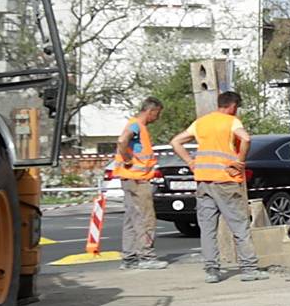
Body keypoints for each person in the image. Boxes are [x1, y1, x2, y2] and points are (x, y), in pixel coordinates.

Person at [171, 88, 266, 284]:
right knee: (239, 225)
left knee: (207, 228)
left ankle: (211, 271)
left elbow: (176, 141)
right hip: (226, 181)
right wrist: (239, 162)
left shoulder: (201, 122)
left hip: (204, 181)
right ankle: (249, 268)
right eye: (237, 108)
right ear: (232, 106)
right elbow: (246, 139)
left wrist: (190, 162)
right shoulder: (231, 122)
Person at [113, 96, 169, 271]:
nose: (157, 118)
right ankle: (146, 256)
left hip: (129, 179)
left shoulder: (135, 124)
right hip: (138, 179)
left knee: (131, 218)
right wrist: (127, 157)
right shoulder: (137, 125)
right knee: (146, 218)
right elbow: (122, 140)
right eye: (157, 114)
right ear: (150, 111)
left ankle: (129, 257)